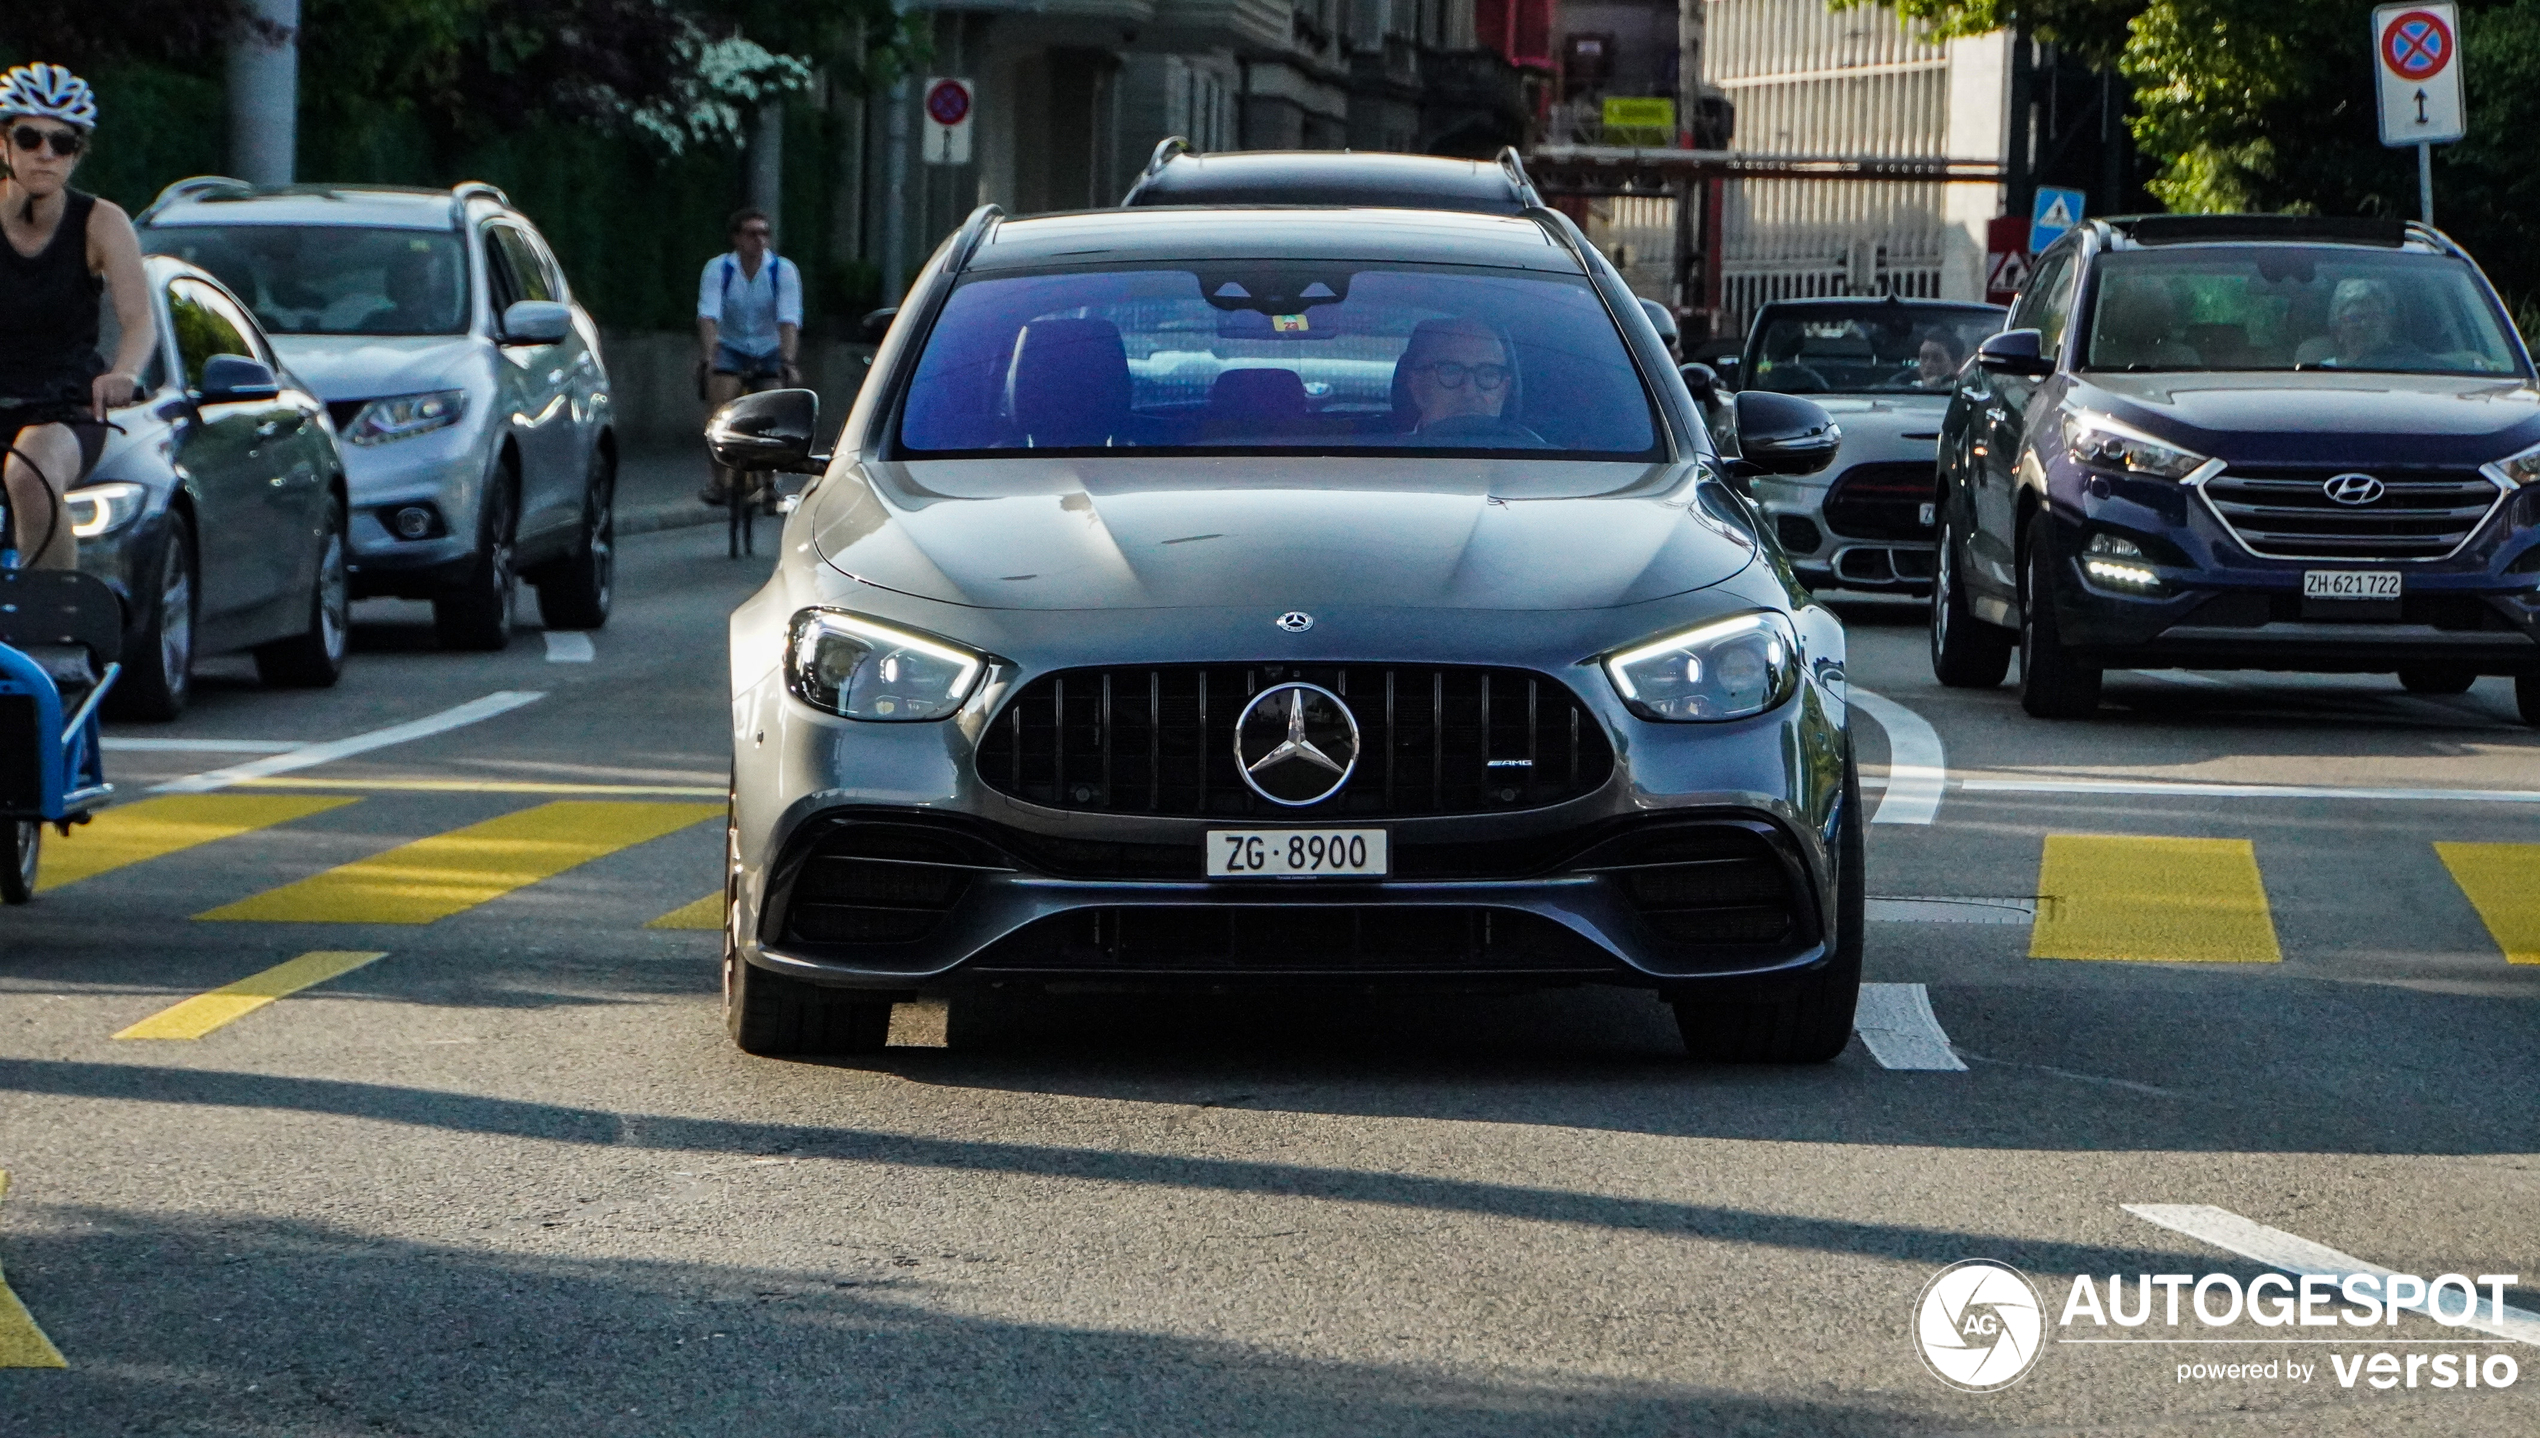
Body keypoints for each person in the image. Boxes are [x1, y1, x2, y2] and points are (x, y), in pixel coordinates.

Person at [0, 62, 152, 571]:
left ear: (76, 155)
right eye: (29, 138)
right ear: (5, 144)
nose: (45, 153)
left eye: (61, 143)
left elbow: (138, 321)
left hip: (62, 406)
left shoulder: (101, 222)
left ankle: (54, 624)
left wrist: (123, 373)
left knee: (30, 469)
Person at [696, 208, 802, 506]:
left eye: (764, 233)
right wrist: (709, 358)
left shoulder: (782, 271)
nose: (760, 240)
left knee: (774, 408)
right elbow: (708, 316)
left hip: (768, 348)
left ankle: (770, 482)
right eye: (752, 233)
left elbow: (788, 320)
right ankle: (719, 481)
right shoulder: (719, 269)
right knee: (719, 407)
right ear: (737, 239)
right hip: (730, 346)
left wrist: (788, 362)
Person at [1397, 318, 1514, 432]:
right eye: (1451, 371)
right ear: (1418, 387)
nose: (1469, 392)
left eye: (1488, 374)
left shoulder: (1527, 445)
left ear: (1504, 390)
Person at [2294, 278, 2424, 369]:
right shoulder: (2318, 373)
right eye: (2354, 318)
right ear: (2338, 330)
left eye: (2373, 317)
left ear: (2387, 326)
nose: (2365, 324)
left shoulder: (2411, 368)